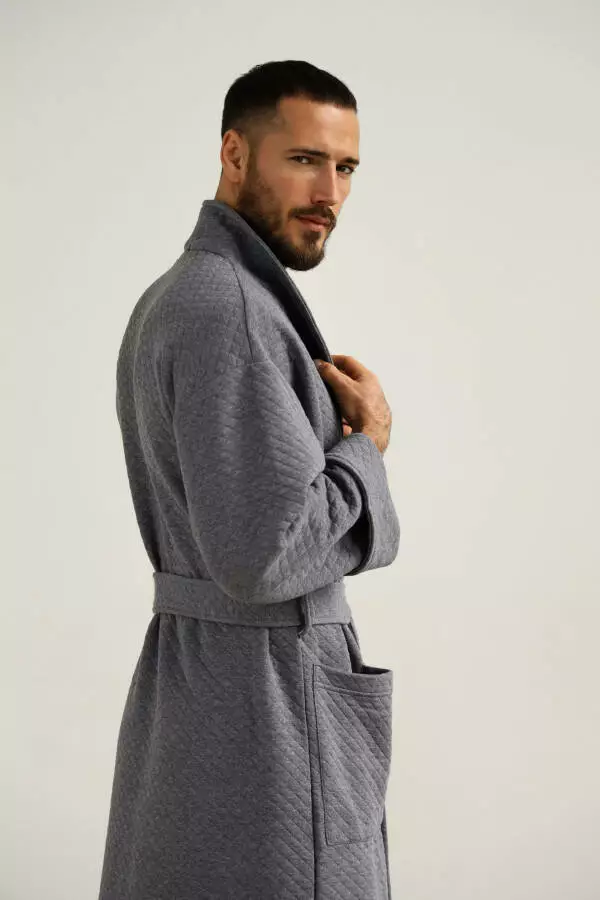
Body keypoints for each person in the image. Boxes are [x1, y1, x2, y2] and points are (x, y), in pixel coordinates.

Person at [98, 59, 400, 900]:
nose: (329, 193)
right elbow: (263, 558)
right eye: (303, 160)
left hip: (209, 691)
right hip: (263, 708)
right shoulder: (228, 309)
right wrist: (368, 447)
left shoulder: (186, 296)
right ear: (234, 153)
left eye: (345, 167)